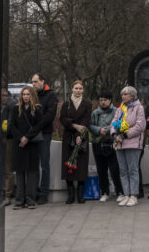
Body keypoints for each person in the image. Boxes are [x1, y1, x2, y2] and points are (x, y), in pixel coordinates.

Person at [111, 86, 146, 207]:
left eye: (125, 94)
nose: (123, 96)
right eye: (122, 94)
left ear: (132, 96)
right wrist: (115, 134)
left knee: (132, 170)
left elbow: (140, 126)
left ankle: (134, 195)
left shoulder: (139, 108)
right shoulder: (120, 108)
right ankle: (126, 194)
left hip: (132, 144)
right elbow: (113, 123)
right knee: (123, 170)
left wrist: (124, 135)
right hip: (119, 144)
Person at [10, 85, 42, 209]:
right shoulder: (16, 109)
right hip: (19, 145)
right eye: (24, 94)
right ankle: (19, 201)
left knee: (32, 174)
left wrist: (27, 138)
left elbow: (39, 126)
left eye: (28, 94)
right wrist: (20, 138)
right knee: (19, 173)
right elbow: (12, 126)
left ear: (32, 95)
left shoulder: (37, 110)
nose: (26, 97)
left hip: (32, 144)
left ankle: (30, 200)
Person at [59, 80, 92, 204]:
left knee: (81, 165)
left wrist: (80, 134)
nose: (78, 90)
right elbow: (62, 119)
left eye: (80, 88)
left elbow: (86, 120)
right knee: (68, 163)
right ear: (72, 89)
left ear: (83, 90)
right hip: (68, 137)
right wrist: (74, 125)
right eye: (76, 88)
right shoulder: (66, 104)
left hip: (82, 137)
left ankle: (80, 194)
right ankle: (70, 194)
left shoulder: (87, 104)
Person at [89, 90, 124, 202]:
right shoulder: (95, 113)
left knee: (114, 169)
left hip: (112, 143)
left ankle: (120, 192)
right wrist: (99, 130)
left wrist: (107, 130)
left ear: (110, 100)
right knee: (101, 169)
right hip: (98, 143)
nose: (103, 102)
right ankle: (104, 192)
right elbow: (90, 125)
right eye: (101, 100)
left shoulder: (116, 111)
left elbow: (118, 123)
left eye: (105, 100)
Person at [30, 73, 58, 205]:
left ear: (42, 81)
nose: (33, 84)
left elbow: (49, 116)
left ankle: (43, 193)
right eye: (32, 82)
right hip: (32, 134)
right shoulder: (32, 95)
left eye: (35, 82)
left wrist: (35, 128)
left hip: (44, 133)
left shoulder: (51, 95)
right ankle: (33, 191)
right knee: (33, 164)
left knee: (44, 164)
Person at [0, 86, 17, 206]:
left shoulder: (11, 107)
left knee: (8, 168)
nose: (4, 98)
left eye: (6, 95)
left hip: (8, 140)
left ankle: (7, 194)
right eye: (2, 95)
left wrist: (6, 135)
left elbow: (11, 124)